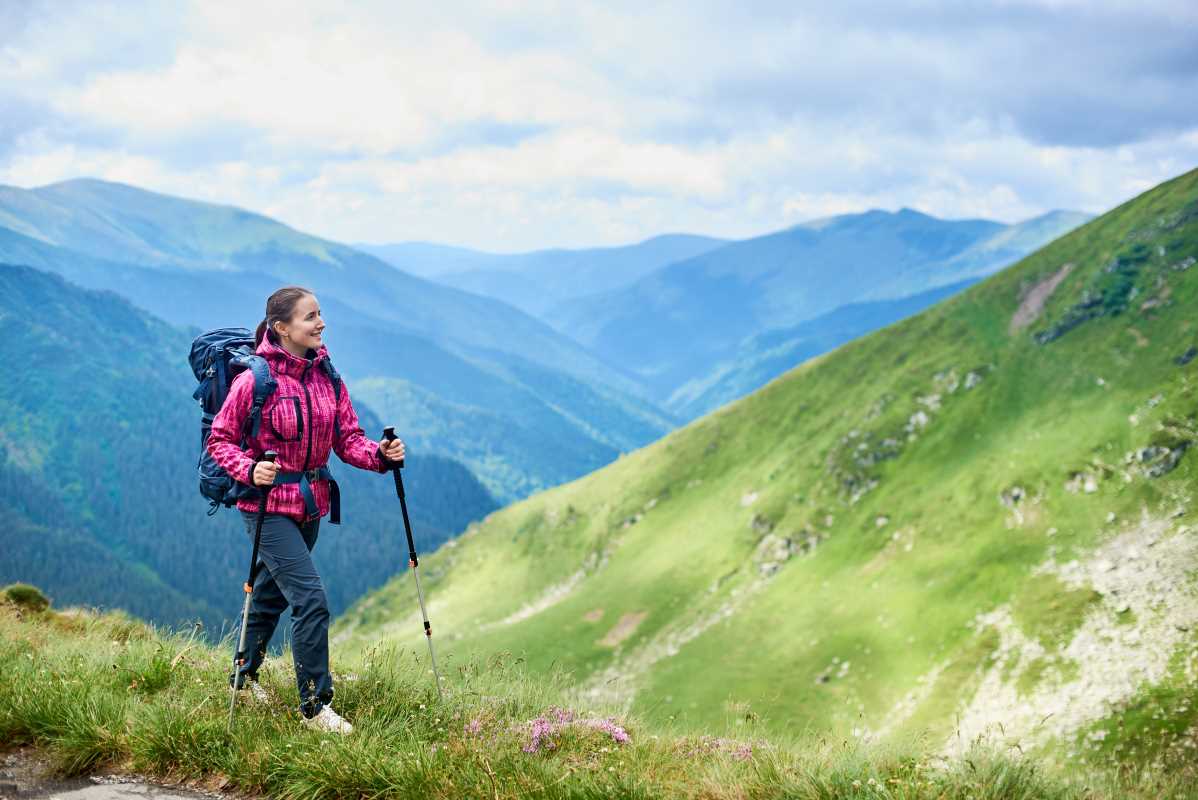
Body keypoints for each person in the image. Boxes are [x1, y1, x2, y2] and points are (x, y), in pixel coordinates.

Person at [207, 285, 405, 734]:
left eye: (320, 314)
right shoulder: (254, 381)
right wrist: (249, 467)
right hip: (265, 507)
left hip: (310, 504)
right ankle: (315, 707)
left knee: (272, 595)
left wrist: (381, 455)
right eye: (310, 316)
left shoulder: (327, 375)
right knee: (310, 600)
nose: (320, 323)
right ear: (281, 328)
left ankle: (242, 678)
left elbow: (347, 438)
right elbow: (219, 440)